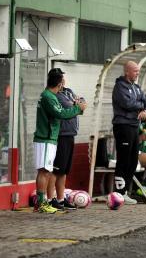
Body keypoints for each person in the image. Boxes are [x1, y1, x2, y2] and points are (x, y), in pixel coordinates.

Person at [33, 68, 86, 213]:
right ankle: (42, 203)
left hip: (50, 138)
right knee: (44, 171)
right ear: (59, 84)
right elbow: (60, 113)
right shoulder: (49, 96)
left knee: (46, 171)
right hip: (45, 138)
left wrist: (77, 105)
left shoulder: (50, 95)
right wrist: (77, 108)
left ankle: (42, 202)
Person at [112, 61, 146, 205]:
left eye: (138, 71)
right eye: (135, 71)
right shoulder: (119, 86)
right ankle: (118, 192)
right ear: (127, 71)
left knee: (133, 161)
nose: (137, 74)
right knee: (123, 160)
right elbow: (127, 104)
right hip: (123, 126)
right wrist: (141, 106)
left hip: (135, 126)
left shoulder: (136, 88)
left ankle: (125, 192)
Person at [46, 74, 83, 210]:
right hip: (61, 135)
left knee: (64, 170)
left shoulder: (68, 91)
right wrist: (76, 105)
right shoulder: (55, 95)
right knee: (56, 169)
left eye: (63, 78)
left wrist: (76, 104)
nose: (63, 81)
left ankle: (61, 199)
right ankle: (50, 199)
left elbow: (82, 101)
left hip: (71, 134)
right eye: (60, 79)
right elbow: (68, 108)